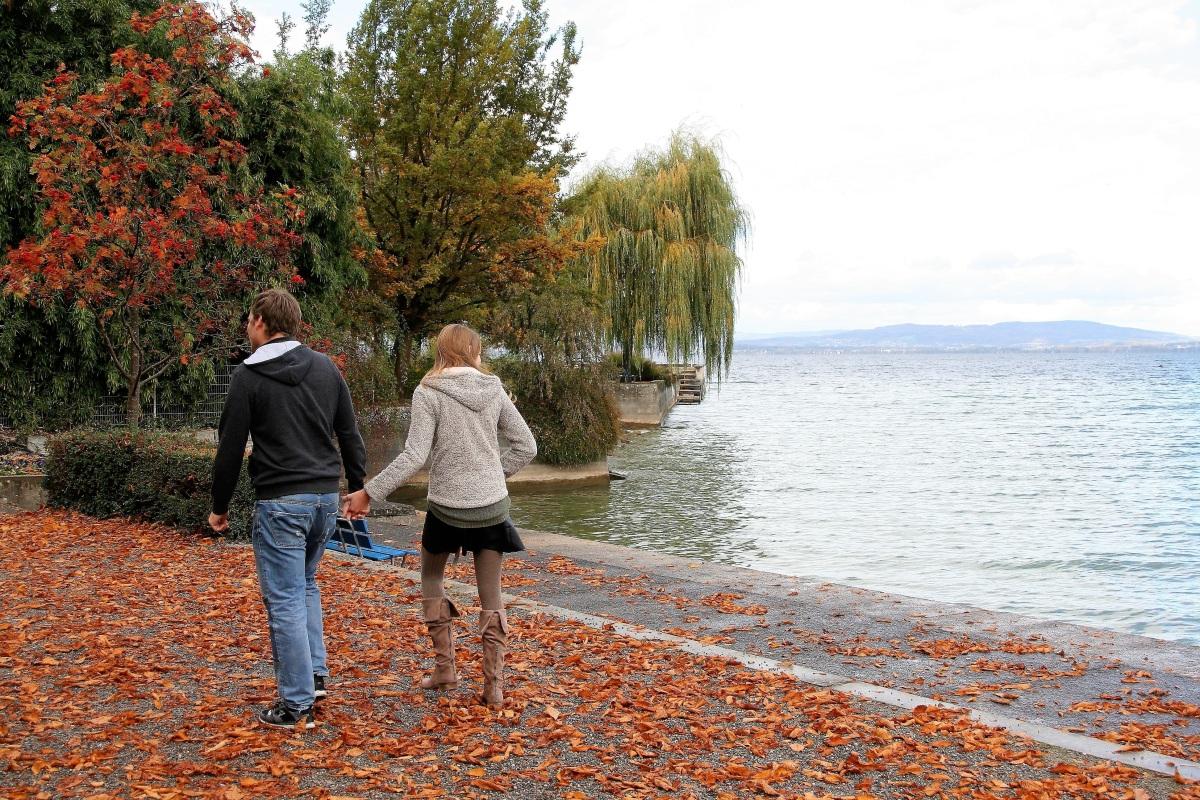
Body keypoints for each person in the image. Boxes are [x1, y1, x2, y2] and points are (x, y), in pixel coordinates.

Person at [342, 323, 536, 707]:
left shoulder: (428, 391)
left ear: (443, 351)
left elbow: (414, 456)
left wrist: (369, 492)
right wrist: (494, 474)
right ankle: (493, 687)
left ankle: (445, 668)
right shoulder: (493, 388)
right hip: (490, 507)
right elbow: (526, 446)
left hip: (445, 508)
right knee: (491, 594)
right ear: (472, 352)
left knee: (431, 575)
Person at [209, 288, 367, 730]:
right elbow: (349, 432)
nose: (246, 326)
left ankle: (296, 705)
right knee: (306, 585)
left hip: (281, 501)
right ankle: (314, 675)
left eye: (248, 319)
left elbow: (230, 448)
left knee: (284, 599)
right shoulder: (325, 369)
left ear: (261, 321)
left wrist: (218, 507)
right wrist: (358, 487)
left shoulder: (247, 376)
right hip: (322, 499)